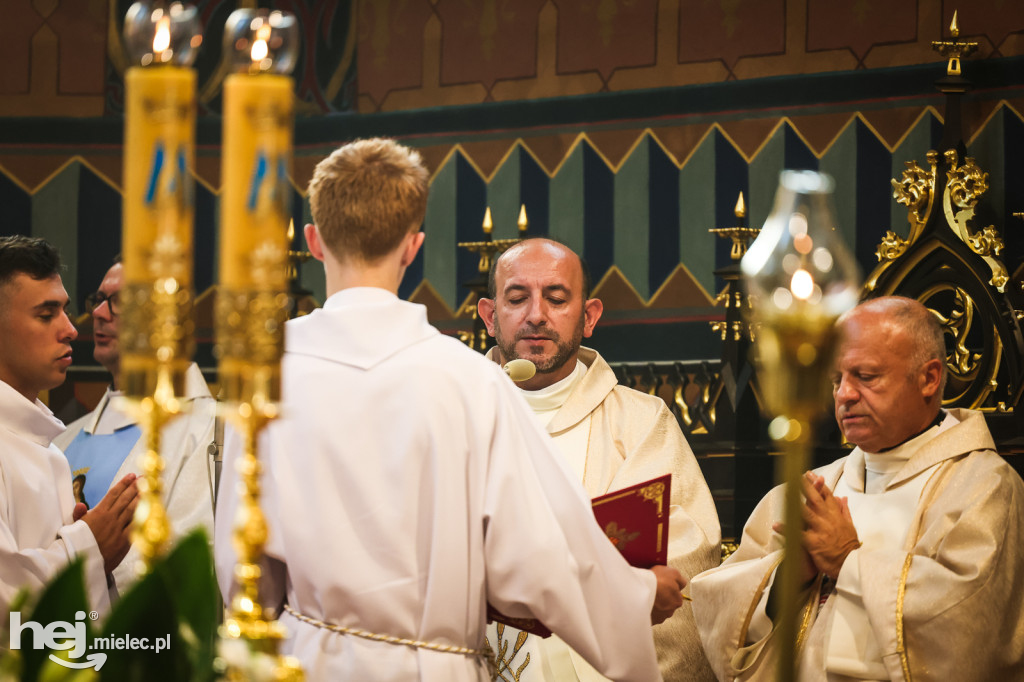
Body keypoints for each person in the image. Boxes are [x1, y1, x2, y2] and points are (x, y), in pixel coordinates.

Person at [214, 138, 687, 682]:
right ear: (412, 247)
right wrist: (636, 595)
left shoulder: (264, 375)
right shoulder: (468, 380)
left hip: (302, 658)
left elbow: (240, 567)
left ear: (315, 242)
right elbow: (541, 557)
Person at [690, 296, 1024, 681]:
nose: (844, 395)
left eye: (865, 377)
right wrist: (787, 578)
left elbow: (971, 626)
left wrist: (848, 560)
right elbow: (721, 615)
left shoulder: (983, 488)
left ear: (929, 378)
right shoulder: (810, 489)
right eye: (836, 380)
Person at [477, 237, 721, 682]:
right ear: (491, 317)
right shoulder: (456, 417)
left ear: (589, 317)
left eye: (556, 298)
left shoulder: (641, 422)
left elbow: (683, 551)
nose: (536, 315)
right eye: (517, 298)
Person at [54, 260, 217, 592]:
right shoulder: (64, 437)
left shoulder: (209, 428)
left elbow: (194, 553)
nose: (99, 312)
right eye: (98, 298)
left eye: (120, 301)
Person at [0, 235, 138, 618]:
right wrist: (89, 546)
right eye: (46, 315)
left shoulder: (50, 450)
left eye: (65, 310)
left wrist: (95, 549)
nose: (71, 329)